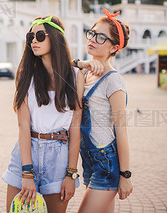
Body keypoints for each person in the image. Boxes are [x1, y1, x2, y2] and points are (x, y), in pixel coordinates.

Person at [1, 15, 102, 213]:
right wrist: (27, 174)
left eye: (40, 35)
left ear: (55, 38)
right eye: (31, 36)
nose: (34, 41)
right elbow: (23, 126)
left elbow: (75, 126)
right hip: (25, 156)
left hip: (59, 157)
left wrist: (71, 173)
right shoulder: (25, 74)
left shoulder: (76, 76)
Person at [78, 8, 133, 213]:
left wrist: (125, 175)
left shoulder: (113, 80)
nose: (93, 39)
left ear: (114, 47)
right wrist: (82, 64)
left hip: (106, 162)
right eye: (92, 33)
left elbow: (122, 130)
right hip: (90, 161)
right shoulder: (85, 73)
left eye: (102, 37)